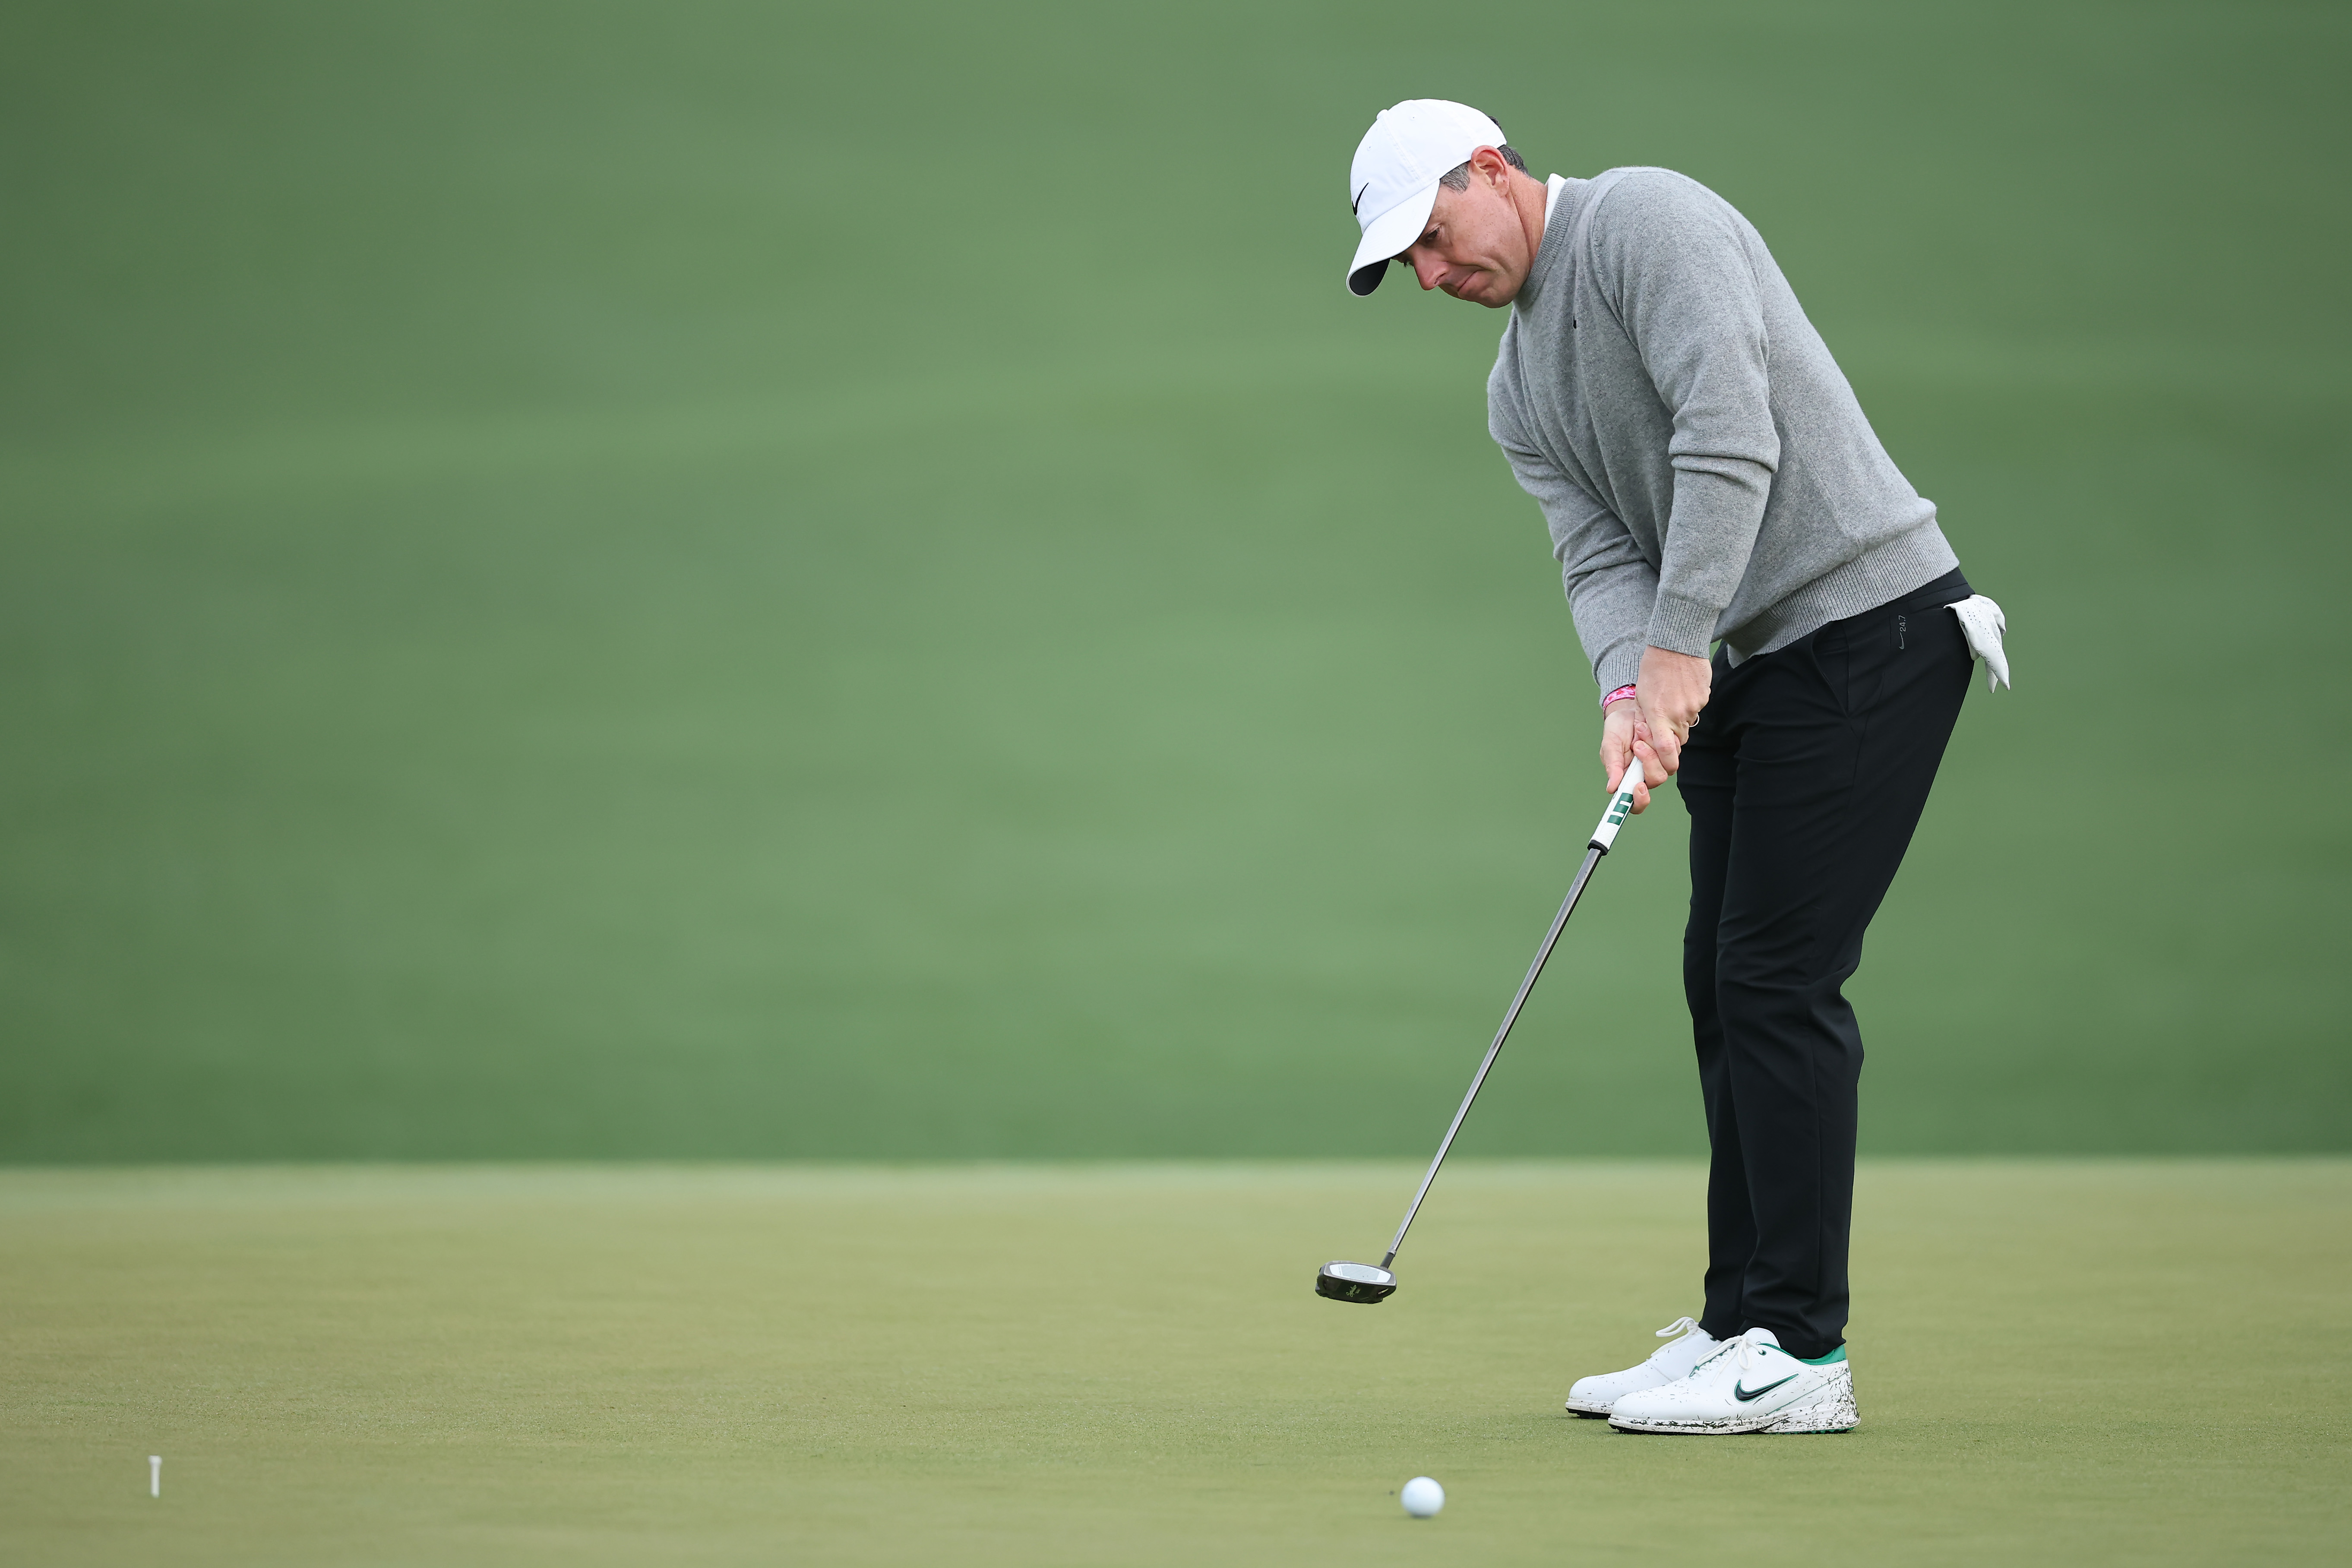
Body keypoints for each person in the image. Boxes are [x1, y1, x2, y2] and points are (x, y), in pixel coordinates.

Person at [1342, 100, 2007, 1435]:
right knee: (1723, 980)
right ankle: (1737, 1322)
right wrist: (1628, 684)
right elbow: (1601, 559)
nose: (1430, 272)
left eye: (1432, 235)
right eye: (1404, 263)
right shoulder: (1514, 389)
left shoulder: (1647, 220)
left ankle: (1805, 1353)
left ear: (1490, 171)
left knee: (1778, 978)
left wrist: (1680, 648)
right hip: (1752, 664)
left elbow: (1729, 434)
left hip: (1871, 629)